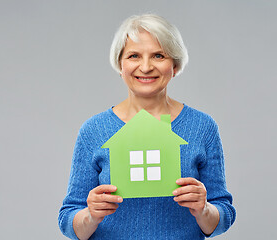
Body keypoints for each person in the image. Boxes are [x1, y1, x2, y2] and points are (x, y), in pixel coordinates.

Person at [58, 14, 236, 239]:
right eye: (133, 56)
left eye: (158, 55)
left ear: (175, 65)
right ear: (120, 65)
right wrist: (90, 215)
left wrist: (204, 209)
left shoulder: (202, 127)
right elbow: (68, 220)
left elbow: (223, 214)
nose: (145, 66)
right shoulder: (94, 130)